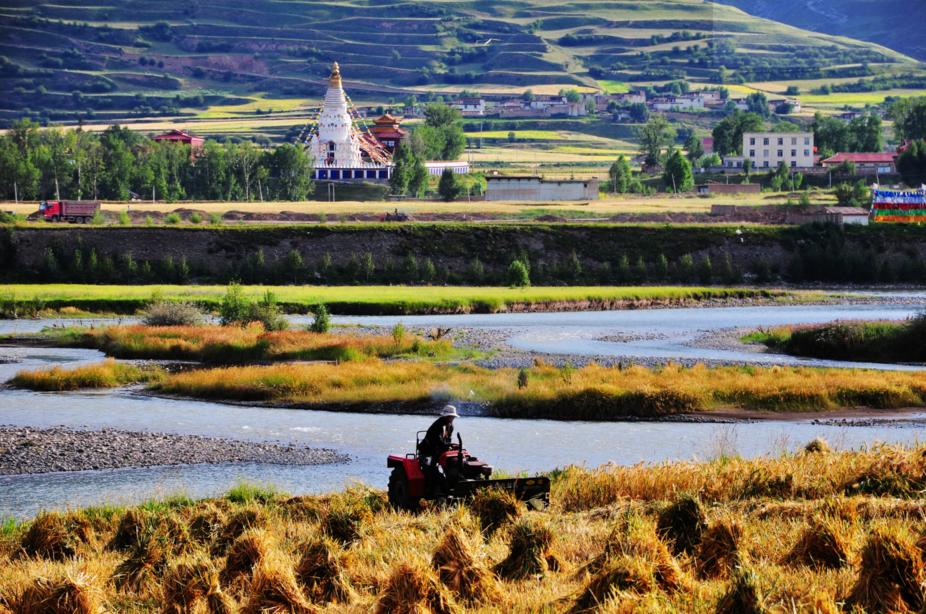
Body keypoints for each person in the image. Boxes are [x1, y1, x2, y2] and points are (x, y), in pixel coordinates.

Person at [418, 405, 458, 493]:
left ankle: (451, 482)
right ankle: (430, 489)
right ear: (446, 416)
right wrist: (448, 445)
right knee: (430, 469)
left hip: (439, 451)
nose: (452, 418)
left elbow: (447, 440)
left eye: (453, 417)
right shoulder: (438, 425)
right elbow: (437, 440)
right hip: (427, 452)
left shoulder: (450, 426)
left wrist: (451, 446)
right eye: (450, 416)